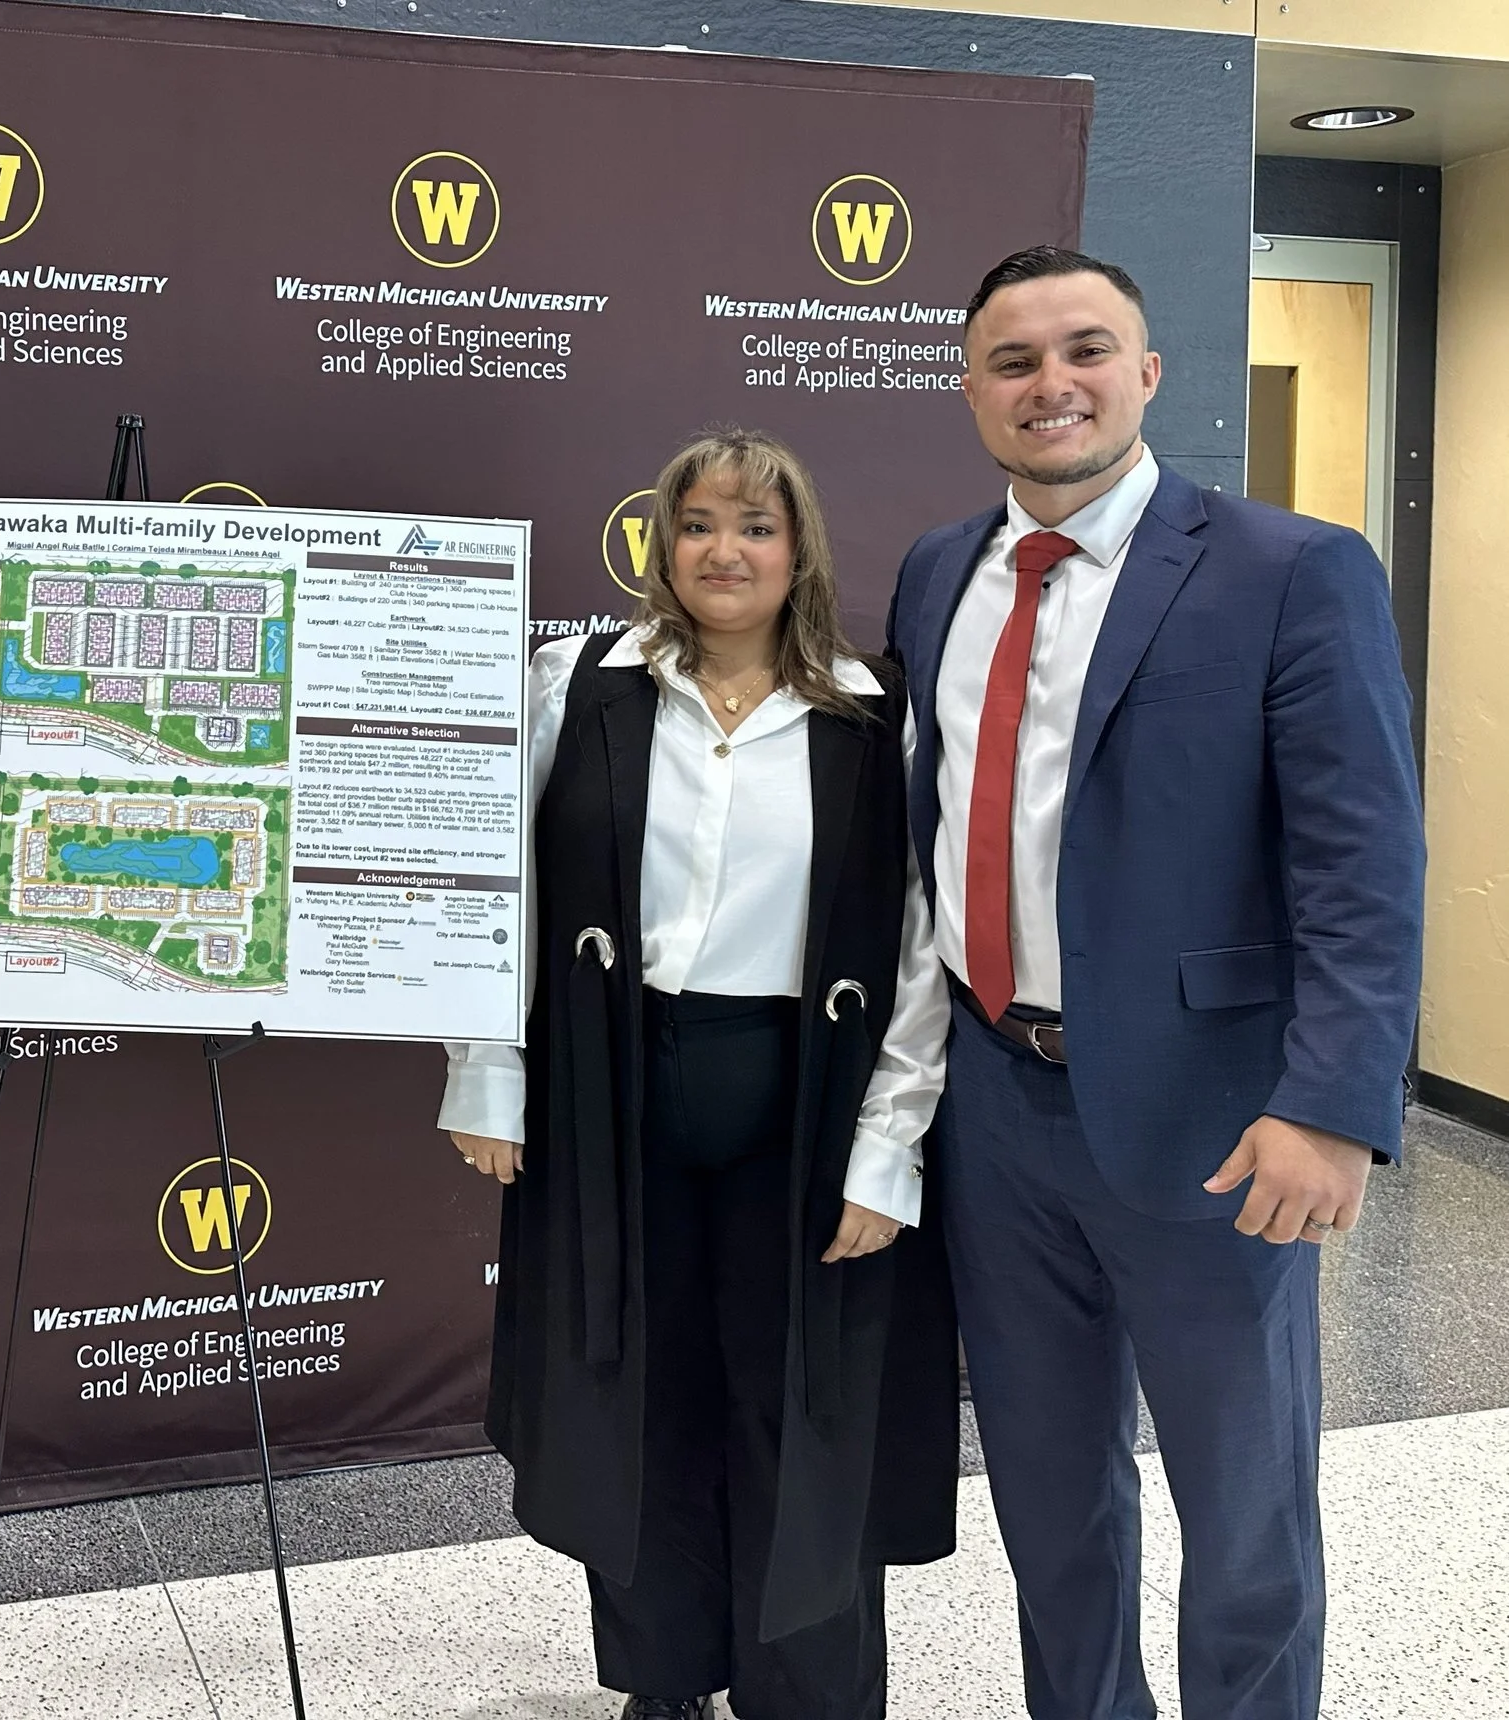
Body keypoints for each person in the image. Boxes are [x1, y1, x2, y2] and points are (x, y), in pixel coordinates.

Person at [887, 246, 1421, 1719]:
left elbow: (1364, 865)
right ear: (971, 390)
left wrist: (1333, 1104)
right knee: (1049, 1501)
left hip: (1217, 1122)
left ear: (1146, 373)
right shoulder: (938, 572)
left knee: (1245, 1520)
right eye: (1012, 361)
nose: (1050, 383)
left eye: (1085, 350)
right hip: (995, 1106)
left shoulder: (1291, 569)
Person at [445, 429, 959, 1720]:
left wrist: (887, 1149)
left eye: (756, 527)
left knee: (802, 1399)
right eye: (699, 524)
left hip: (804, 1094)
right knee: (637, 1390)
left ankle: (809, 1690)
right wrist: (487, 1073)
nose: (726, 551)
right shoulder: (581, 684)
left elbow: (918, 941)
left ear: (800, 551)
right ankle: (662, 1675)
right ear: (662, 545)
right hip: (613, 1089)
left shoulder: (871, 712)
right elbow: (494, 887)